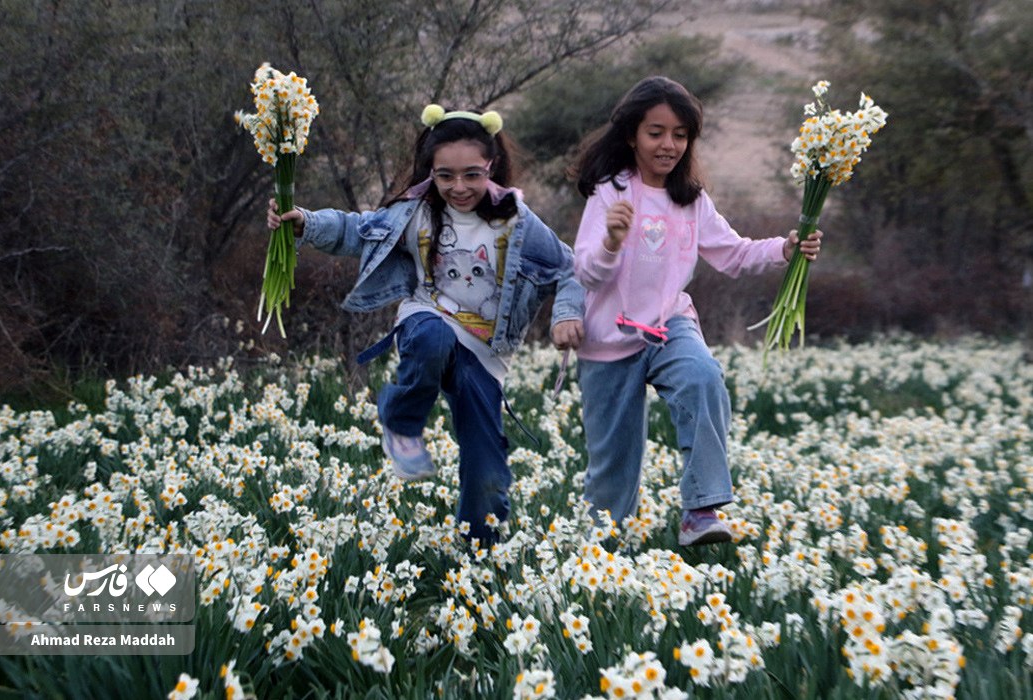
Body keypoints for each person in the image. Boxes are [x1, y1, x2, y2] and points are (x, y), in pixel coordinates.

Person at [267, 105, 584, 545]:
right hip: (427, 319)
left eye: (472, 175)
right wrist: (307, 222)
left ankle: (479, 552)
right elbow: (358, 229)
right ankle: (402, 422)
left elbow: (569, 268)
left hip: (485, 356)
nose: (459, 187)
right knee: (434, 337)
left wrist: (567, 314)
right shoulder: (414, 211)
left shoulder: (516, 219)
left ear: (492, 167)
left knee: (488, 468)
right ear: (430, 171)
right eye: (445, 176)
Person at [570, 76, 822, 547]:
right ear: (632, 135)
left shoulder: (691, 199)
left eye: (680, 135)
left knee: (703, 376)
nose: (668, 145)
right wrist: (611, 242)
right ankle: (602, 553)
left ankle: (701, 510)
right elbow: (586, 273)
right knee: (612, 469)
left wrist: (785, 250)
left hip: (669, 324)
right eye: (656, 132)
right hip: (607, 340)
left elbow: (734, 254)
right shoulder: (610, 192)